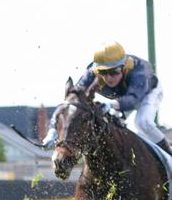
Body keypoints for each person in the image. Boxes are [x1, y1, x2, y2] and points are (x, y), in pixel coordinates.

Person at [42, 41, 171, 155]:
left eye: (114, 72)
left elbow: (133, 99)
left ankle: (169, 154)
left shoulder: (139, 71)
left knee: (143, 122)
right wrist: (52, 129)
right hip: (119, 98)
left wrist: (111, 104)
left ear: (124, 67)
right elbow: (70, 102)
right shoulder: (91, 73)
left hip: (147, 93)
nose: (108, 78)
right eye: (103, 73)